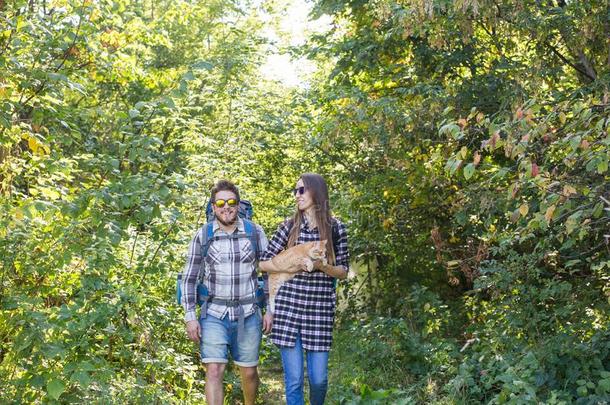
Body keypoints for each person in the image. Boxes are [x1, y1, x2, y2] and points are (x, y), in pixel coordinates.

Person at [259, 173, 350, 405]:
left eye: (301, 190)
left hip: (319, 311)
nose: (296, 195)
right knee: (295, 380)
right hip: (288, 309)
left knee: (319, 380)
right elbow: (262, 263)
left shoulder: (336, 229)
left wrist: (321, 266)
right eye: (295, 191)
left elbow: (343, 271)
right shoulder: (288, 228)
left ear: (316, 192)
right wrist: (291, 265)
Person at [181, 180, 273, 405]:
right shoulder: (203, 235)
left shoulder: (254, 232)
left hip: (248, 313)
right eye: (220, 202)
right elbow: (189, 278)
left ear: (238, 204)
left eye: (231, 201)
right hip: (214, 314)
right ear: (213, 207)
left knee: (249, 373)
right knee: (213, 370)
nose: (226, 206)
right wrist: (190, 317)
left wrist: (270, 309)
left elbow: (271, 274)